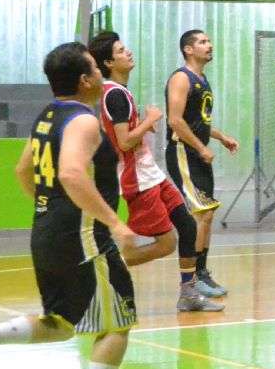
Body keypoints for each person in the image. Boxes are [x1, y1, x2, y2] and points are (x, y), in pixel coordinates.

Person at [0, 42, 141, 369]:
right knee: (116, 324)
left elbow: (24, 170)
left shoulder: (47, 116)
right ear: (86, 79)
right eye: (95, 68)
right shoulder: (84, 120)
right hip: (84, 234)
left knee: (64, 321)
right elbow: (72, 174)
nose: (101, 74)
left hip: (47, 229)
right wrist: (116, 224)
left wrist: (50, 208)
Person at [89, 31, 222, 313]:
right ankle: (105, 273)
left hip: (151, 173)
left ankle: (188, 293)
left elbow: (124, 136)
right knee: (166, 243)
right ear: (109, 62)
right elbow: (124, 142)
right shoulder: (114, 94)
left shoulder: (120, 92)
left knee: (187, 227)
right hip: (137, 178)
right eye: (122, 50)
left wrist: (143, 125)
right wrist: (149, 119)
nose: (129, 53)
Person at [165, 29, 238, 298]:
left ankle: (201, 272)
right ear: (188, 49)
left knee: (206, 214)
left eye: (209, 41)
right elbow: (175, 120)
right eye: (203, 42)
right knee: (201, 214)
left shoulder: (202, 79)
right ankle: (192, 280)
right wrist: (199, 147)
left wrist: (220, 137)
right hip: (183, 153)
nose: (210, 45)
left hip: (197, 152)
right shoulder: (181, 79)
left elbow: (199, 121)